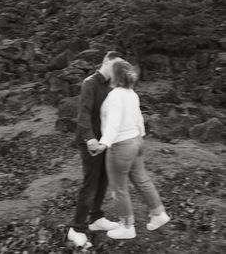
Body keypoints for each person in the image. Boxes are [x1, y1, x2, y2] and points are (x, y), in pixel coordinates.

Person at [93, 59, 170, 240]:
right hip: (136, 141)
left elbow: (114, 123)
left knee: (119, 188)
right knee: (142, 179)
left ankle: (127, 226)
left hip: (121, 146)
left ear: (115, 75)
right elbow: (138, 118)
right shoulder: (131, 93)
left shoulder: (115, 96)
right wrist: (140, 136)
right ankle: (159, 214)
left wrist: (104, 143)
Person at [68, 51, 123, 248]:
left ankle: (96, 218)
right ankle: (76, 228)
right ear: (106, 62)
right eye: (115, 65)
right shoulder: (90, 83)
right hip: (90, 143)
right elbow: (83, 114)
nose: (117, 70)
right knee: (90, 183)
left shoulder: (112, 86)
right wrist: (90, 138)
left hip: (105, 142)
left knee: (103, 180)